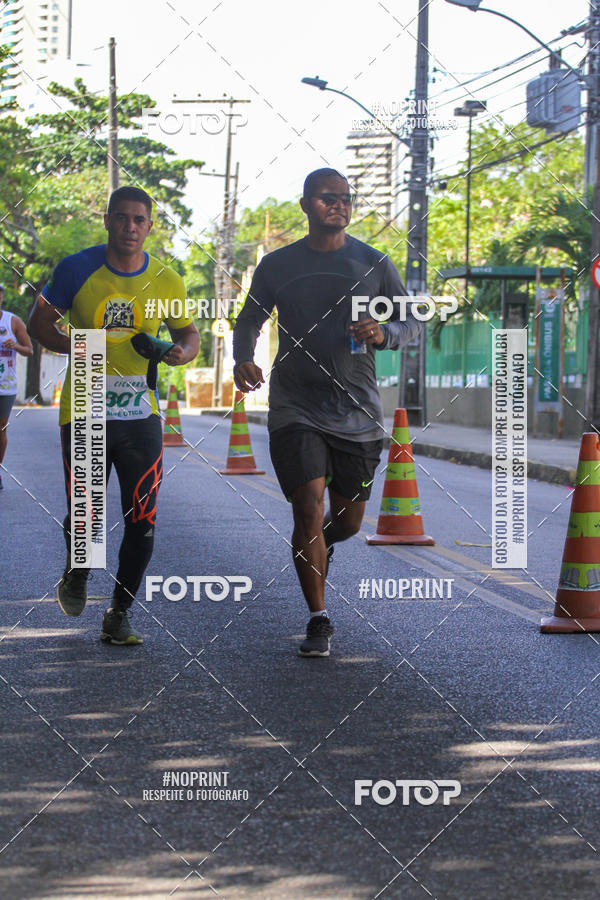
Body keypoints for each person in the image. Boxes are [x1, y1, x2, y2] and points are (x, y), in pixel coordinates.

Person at [233, 168, 421, 657]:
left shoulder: (373, 262)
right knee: (307, 507)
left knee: (349, 522)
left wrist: (384, 334)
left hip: (358, 412)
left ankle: (317, 545)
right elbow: (250, 317)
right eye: (325, 198)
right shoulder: (277, 265)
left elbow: (411, 321)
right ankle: (319, 618)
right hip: (295, 405)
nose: (337, 205)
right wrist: (242, 359)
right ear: (305, 205)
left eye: (344, 198)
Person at [29, 186, 199, 645]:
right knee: (85, 514)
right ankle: (78, 568)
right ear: (107, 220)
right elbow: (39, 323)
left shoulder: (167, 279)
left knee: (142, 516)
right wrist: (81, 343)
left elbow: (188, 333)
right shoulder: (76, 268)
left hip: (139, 411)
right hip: (84, 404)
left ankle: (119, 612)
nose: (129, 227)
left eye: (139, 220)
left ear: (149, 225)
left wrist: (177, 354)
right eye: (121, 218)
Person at [0, 284, 33, 490]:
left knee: (1, 430)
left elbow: (29, 350)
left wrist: (15, 346)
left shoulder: (12, 321)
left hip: (6, 386)